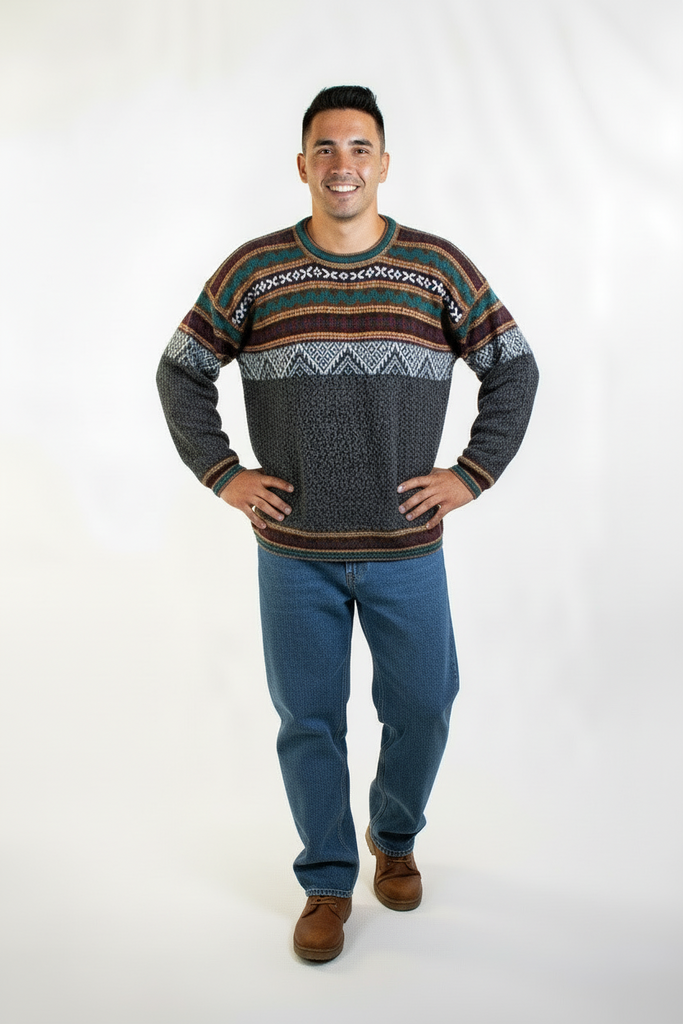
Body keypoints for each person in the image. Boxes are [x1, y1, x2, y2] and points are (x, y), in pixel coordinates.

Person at [157, 85, 538, 962]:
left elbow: (513, 367)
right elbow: (180, 370)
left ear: (383, 164)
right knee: (308, 720)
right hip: (294, 552)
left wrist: (470, 474)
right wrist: (224, 473)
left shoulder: (436, 268)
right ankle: (327, 882)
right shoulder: (254, 271)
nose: (342, 165)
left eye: (359, 148)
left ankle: (392, 837)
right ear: (302, 165)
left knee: (425, 706)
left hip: (406, 547)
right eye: (325, 149)